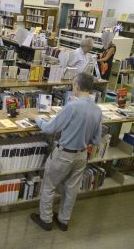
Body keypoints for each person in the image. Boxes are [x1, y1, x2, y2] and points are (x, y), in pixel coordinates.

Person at [29, 72, 102, 231]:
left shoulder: (72, 106)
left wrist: (37, 118)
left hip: (64, 155)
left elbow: (50, 128)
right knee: (71, 190)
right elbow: (96, 140)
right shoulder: (97, 110)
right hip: (81, 155)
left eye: (73, 85)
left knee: (49, 186)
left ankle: (46, 220)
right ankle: (63, 221)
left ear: (77, 86)